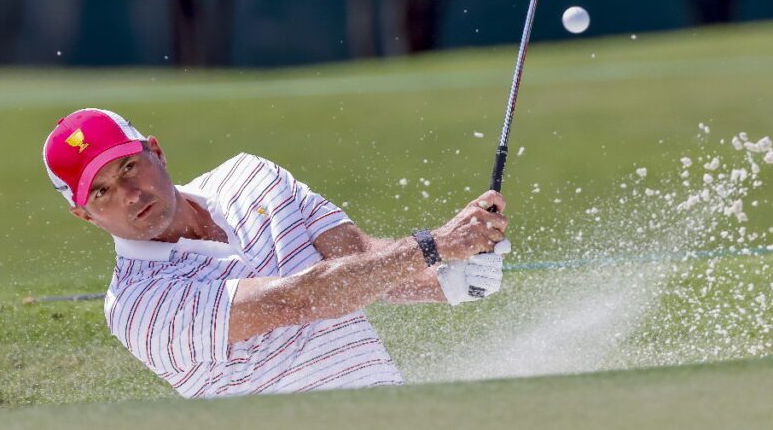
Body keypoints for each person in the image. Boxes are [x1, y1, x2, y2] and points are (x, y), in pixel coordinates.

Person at [43, 108, 509, 398]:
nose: (128, 193)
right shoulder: (137, 305)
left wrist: (452, 279)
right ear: (85, 215)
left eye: (128, 167)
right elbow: (301, 299)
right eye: (102, 192)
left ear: (157, 152)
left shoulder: (253, 177)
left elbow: (360, 259)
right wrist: (434, 244)